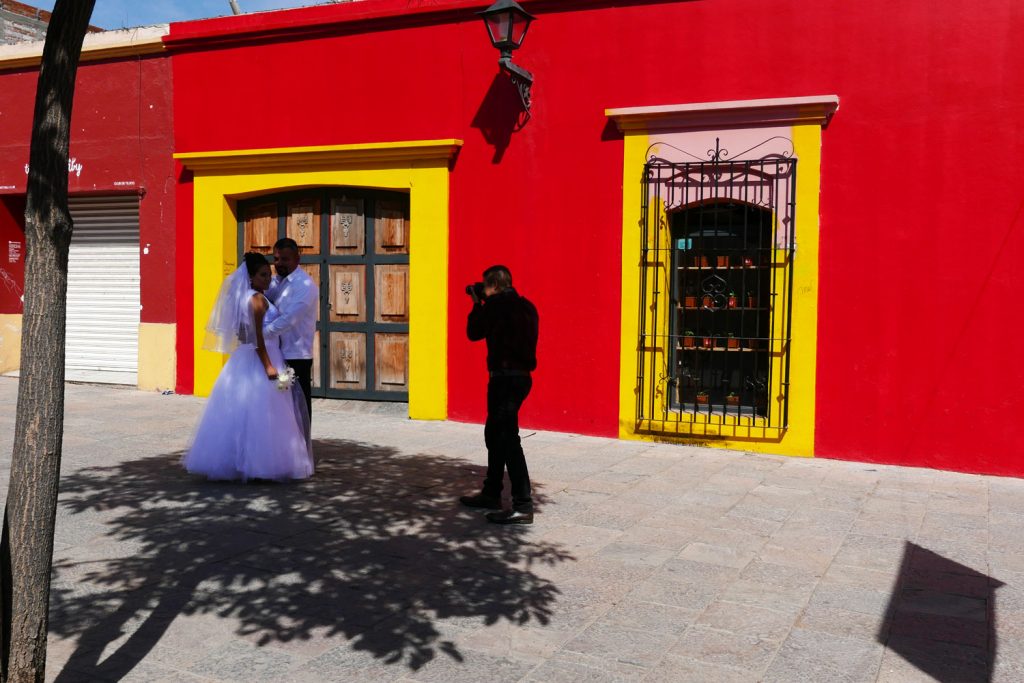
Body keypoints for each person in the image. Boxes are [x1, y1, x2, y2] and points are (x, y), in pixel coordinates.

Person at [183, 252, 314, 481]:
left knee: (244, 411)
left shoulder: (244, 297)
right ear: (251, 277)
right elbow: (256, 338)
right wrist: (268, 366)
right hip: (262, 357)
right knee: (263, 413)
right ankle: (259, 463)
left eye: (268, 274)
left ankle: (239, 460)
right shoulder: (257, 300)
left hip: (244, 358)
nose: (268, 279)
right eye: (263, 275)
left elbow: (243, 334)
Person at [460, 265, 539, 524]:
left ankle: (523, 505)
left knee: (507, 439)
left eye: (485, 285)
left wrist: (476, 303)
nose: (483, 289)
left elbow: (473, 332)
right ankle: (491, 493)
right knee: (495, 434)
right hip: (522, 378)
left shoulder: (495, 306)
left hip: (503, 380)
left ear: (493, 285)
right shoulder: (528, 307)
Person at [266, 237, 319, 422]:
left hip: (296, 354)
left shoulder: (304, 285)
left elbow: (289, 319)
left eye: (285, 259)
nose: (279, 263)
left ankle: (303, 440)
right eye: (276, 259)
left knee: (299, 406)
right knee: (282, 407)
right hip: (277, 352)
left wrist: (261, 334)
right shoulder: (276, 282)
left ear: (297, 259)